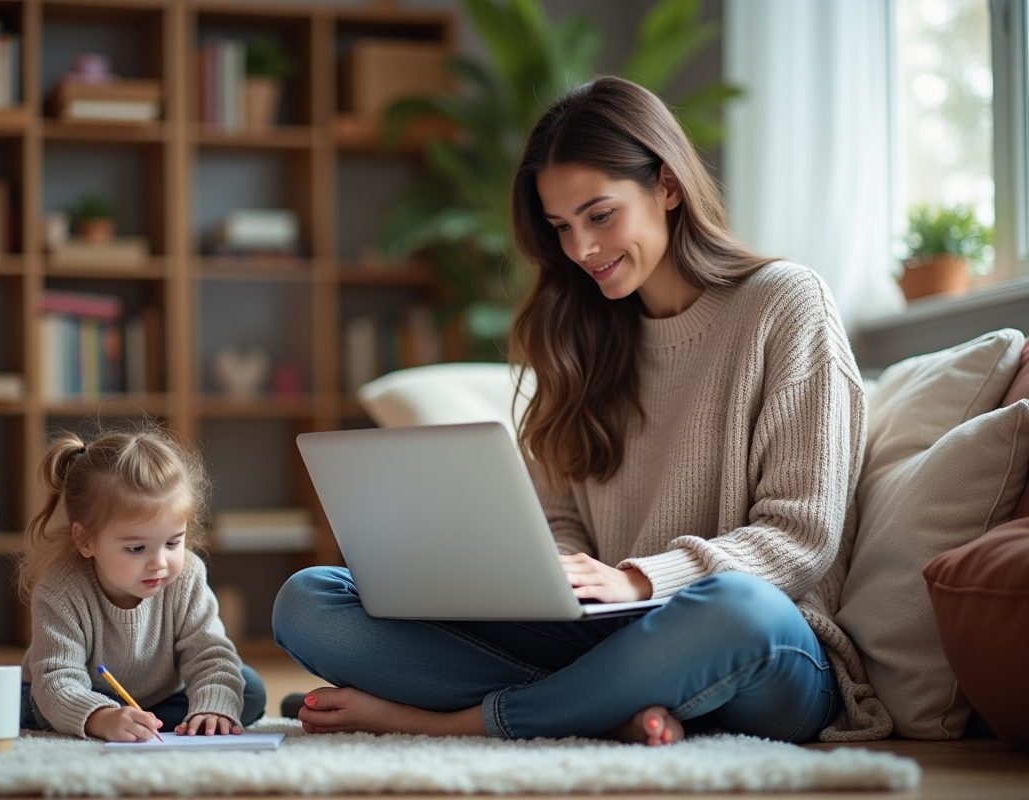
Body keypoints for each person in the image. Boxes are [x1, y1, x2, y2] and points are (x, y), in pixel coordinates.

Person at [271, 75, 893, 746]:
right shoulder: (579, 334)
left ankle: (466, 721)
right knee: (310, 600)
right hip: (603, 636)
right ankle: (613, 708)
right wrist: (546, 574)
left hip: (761, 652)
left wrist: (635, 579)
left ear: (667, 185)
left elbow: (800, 538)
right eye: (561, 227)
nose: (582, 250)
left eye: (600, 215)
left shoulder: (785, 303)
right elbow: (565, 518)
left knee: (736, 609)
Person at [16, 422, 266, 742]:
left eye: (173, 543)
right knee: (26, 703)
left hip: (162, 695)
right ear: (86, 539)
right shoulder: (60, 590)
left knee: (249, 689)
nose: (159, 563)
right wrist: (102, 718)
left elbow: (211, 655)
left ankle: (146, 723)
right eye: (136, 548)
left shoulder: (187, 574)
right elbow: (57, 679)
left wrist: (212, 710)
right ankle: (125, 722)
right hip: (82, 693)